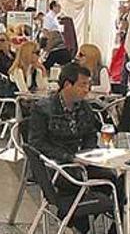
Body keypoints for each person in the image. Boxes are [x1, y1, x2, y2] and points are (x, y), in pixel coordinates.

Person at [27, 62, 101, 234]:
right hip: (55, 165)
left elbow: (91, 133)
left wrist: (87, 154)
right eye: (83, 85)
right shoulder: (44, 109)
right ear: (68, 84)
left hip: (79, 161)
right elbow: (36, 143)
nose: (87, 89)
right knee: (76, 183)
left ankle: (108, 227)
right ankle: (78, 223)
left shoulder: (84, 107)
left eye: (88, 85)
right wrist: (69, 157)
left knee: (113, 180)